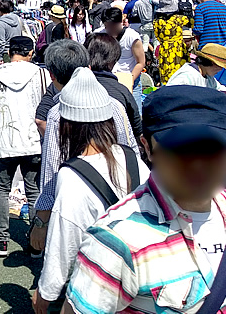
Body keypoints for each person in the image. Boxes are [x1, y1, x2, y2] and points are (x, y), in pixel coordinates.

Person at [63, 85, 226, 313]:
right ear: (147, 147)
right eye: (180, 149)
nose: (198, 163)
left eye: (212, 148)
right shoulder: (116, 239)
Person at [32, 68, 149, 313]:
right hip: (143, 280)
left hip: (100, 282)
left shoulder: (72, 175)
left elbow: (63, 243)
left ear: (67, 126)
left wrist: (45, 293)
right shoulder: (131, 158)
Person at [30, 40, 139, 252]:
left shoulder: (57, 114)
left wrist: (41, 222)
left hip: (74, 208)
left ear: (52, 76)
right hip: (118, 200)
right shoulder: (114, 105)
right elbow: (130, 153)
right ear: (89, 68)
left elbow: (52, 172)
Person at [0, 36, 49, 257]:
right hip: (33, 138)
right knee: (34, 191)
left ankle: (0, 240)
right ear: (30, 53)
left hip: (5, 138)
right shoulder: (41, 74)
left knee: (1, 189)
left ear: (10, 52)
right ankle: (35, 242)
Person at [87, 34, 143, 142]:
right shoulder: (122, 91)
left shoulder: (66, 88)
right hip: (115, 150)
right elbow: (137, 130)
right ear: (113, 60)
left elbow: (43, 119)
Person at [166, 43, 226, 112]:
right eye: (219, 66)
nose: (221, 69)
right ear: (210, 62)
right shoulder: (186, 76)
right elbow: (170, 97)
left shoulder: (208, 77)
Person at [100, 7, 145, 111]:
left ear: (121, 22)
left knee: (135, 112)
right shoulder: (101, 35)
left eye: (113, 26)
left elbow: (140, 62)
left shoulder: (132, 36)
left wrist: (130, 81)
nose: (110, 30)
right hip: (110, 79)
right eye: (107, 26)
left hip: (130, 78)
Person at [0, 0, 22, 65]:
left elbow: (1, 41)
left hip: (7, 52)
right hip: (19, 50)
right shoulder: (17, 18)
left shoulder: (1, 23)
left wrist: (0, 57)